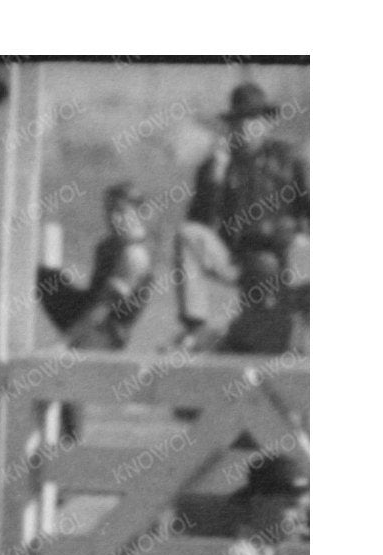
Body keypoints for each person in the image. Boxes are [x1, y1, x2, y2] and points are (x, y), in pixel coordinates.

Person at [183, 79, 305, 356]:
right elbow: (198, 226)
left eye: (253, 119)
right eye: (239, 120)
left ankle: (298, 329)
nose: (245, 127)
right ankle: (195, 323)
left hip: (277, 256)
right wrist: (214, 181)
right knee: (186, 236)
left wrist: (297, 236)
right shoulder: (216, 165)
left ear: (266, 123)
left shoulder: (288, 160)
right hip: (233, 257)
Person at [38, 183, 157, 350]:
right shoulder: (107, 246)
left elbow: (103, 307)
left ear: (139, 213)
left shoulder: (134, 255)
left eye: (121, 211)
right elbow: (92, 298)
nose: (113, 218)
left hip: (105, 334)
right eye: (109, 210)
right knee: (44, 277)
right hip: (87, 312)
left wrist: (66, 342)